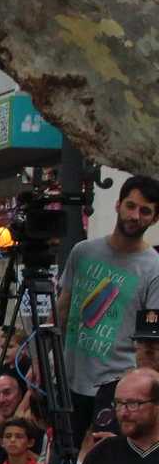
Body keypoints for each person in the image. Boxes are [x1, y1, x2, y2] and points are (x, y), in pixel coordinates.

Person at [58, 175, 159, 431]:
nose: (135, 215)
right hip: (69, 382)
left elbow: (149, 342)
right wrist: (42, 362)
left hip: (118, 387)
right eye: (131, 206)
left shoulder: (153, 267)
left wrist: (142, 392)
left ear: (155, 219)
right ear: (118, 205)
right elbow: (62, 308)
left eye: (145, 211)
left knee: (106, 462)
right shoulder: (82, 252)